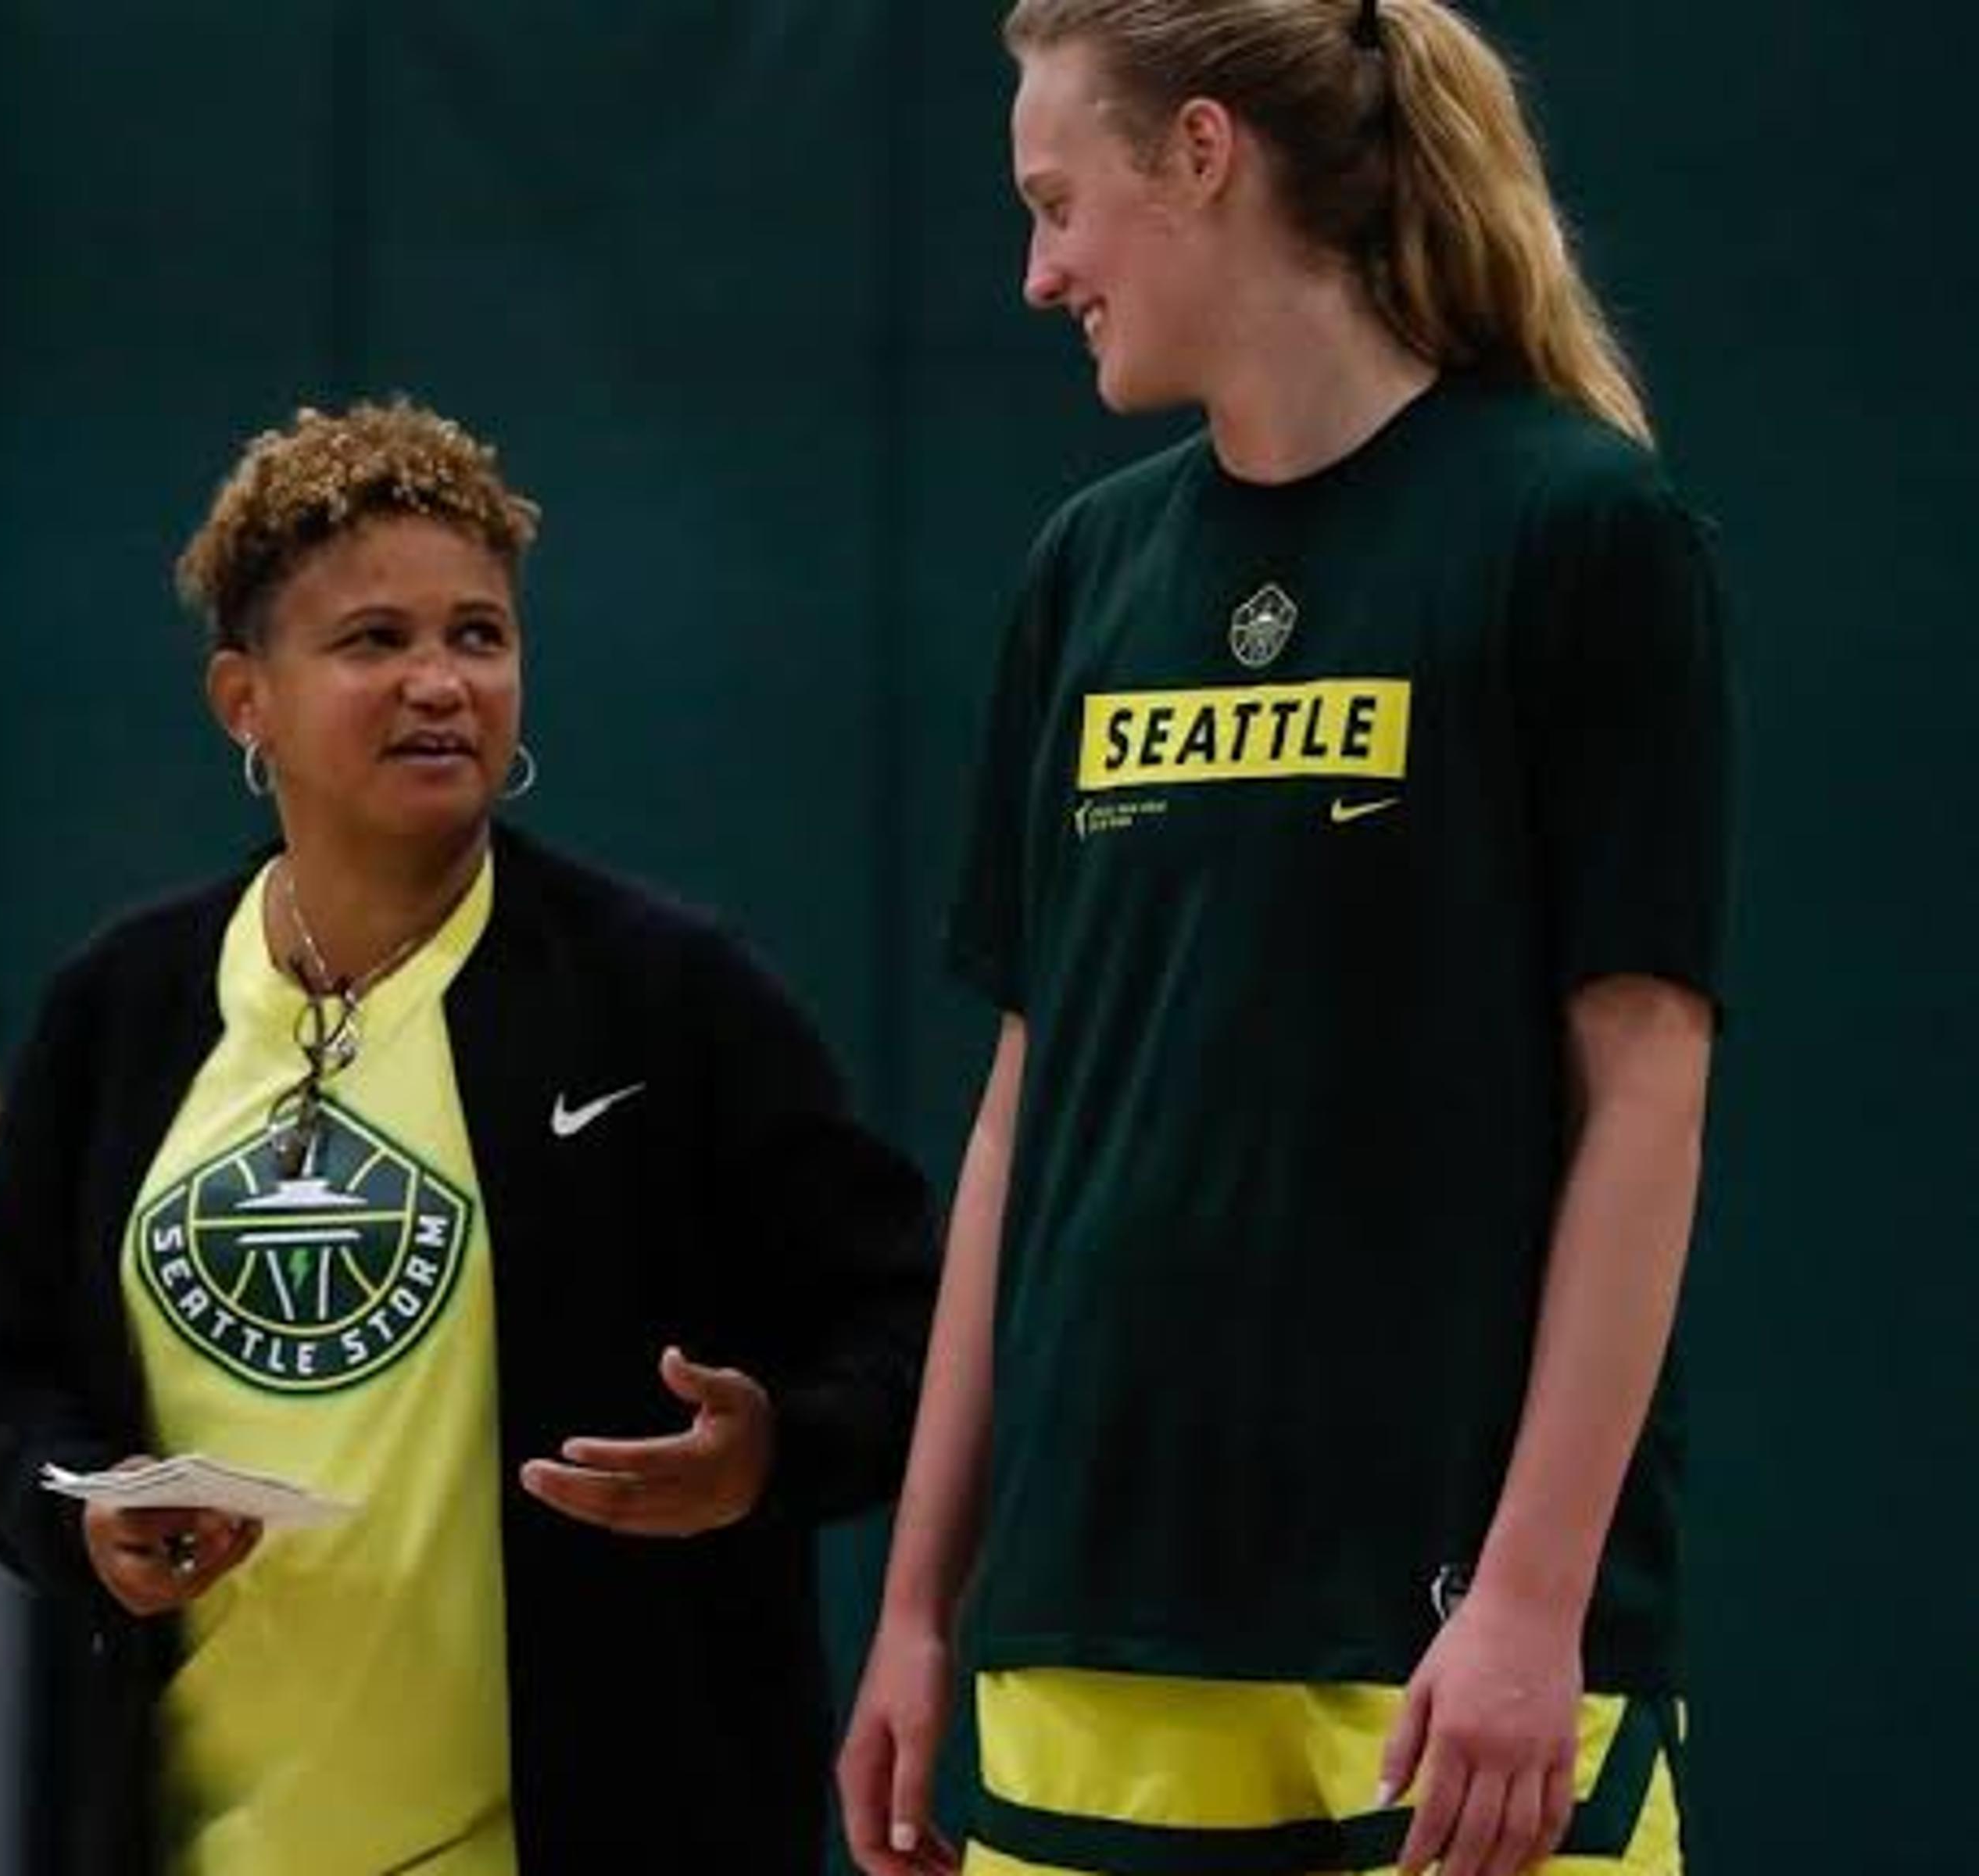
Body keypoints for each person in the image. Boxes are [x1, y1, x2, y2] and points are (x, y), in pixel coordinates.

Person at [838, 5, 1730, 1875]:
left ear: (1205, 156)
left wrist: (1528, 1600)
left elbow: (1646, 1086)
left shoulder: (1575, 529)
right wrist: (925, 1605)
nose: (1036, 271)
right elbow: (1023, 1112)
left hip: (1445, 1666)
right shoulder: (1086, 571)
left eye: (1058, 203)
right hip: (1085, 1637)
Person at [0, 399, 935, 1876]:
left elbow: (906, 1321)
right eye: (373, 642)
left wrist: (773, 1450)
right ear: (242, 699)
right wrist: (78, 1517)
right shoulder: (124, 1009)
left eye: (479, 635)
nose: (441, 683)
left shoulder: (671, 1000)